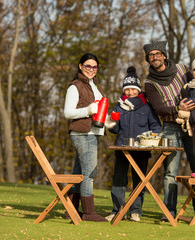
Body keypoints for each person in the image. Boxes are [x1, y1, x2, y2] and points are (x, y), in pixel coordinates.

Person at [143, 40, 195, 221]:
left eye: (158, 54)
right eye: (151, 55)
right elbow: (159, 108)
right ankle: (170, 212)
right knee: (170, 172)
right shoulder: (149, 83)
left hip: (191, 124)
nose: (155, 57)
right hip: (169, 126)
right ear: (148, 59)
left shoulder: (182, 69)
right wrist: (177, 108)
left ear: (164, 55)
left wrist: (191, 105)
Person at [105, 66, 161, 222]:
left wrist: (151, 137)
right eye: (127, 89)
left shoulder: (147, 106)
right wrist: (110, 123)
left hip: (141, 149)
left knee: (139, 180)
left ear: (138, 90)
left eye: (133, 89)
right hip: (122, 148)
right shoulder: (119, 106)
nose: (130, 92)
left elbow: (156, 127)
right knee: (118, 180)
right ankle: (117, 211)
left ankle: (136, 211)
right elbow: (115, 130)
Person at [63, 53, 108, 222]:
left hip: (93, 133)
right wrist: (88, 110)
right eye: (88, 66)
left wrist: (109, 121)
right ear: (80, 66)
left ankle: (71, 211)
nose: (91, 70)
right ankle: (89, 213)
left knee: (79, 173)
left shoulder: (96, 86)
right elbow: (68, 113)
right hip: (82, 134)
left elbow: (98, 111)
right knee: (89, 173)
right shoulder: (75, 86)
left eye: (94, 67)